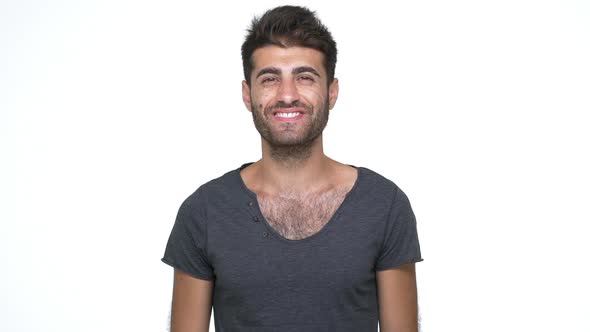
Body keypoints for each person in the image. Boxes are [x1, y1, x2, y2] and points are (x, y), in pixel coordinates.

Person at [161, 5, 423, 332]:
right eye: (270, 79)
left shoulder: (384, 206)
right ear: (247, 94)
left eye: (305, 77)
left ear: (332, 92)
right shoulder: (204, 212)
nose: (287, 95)